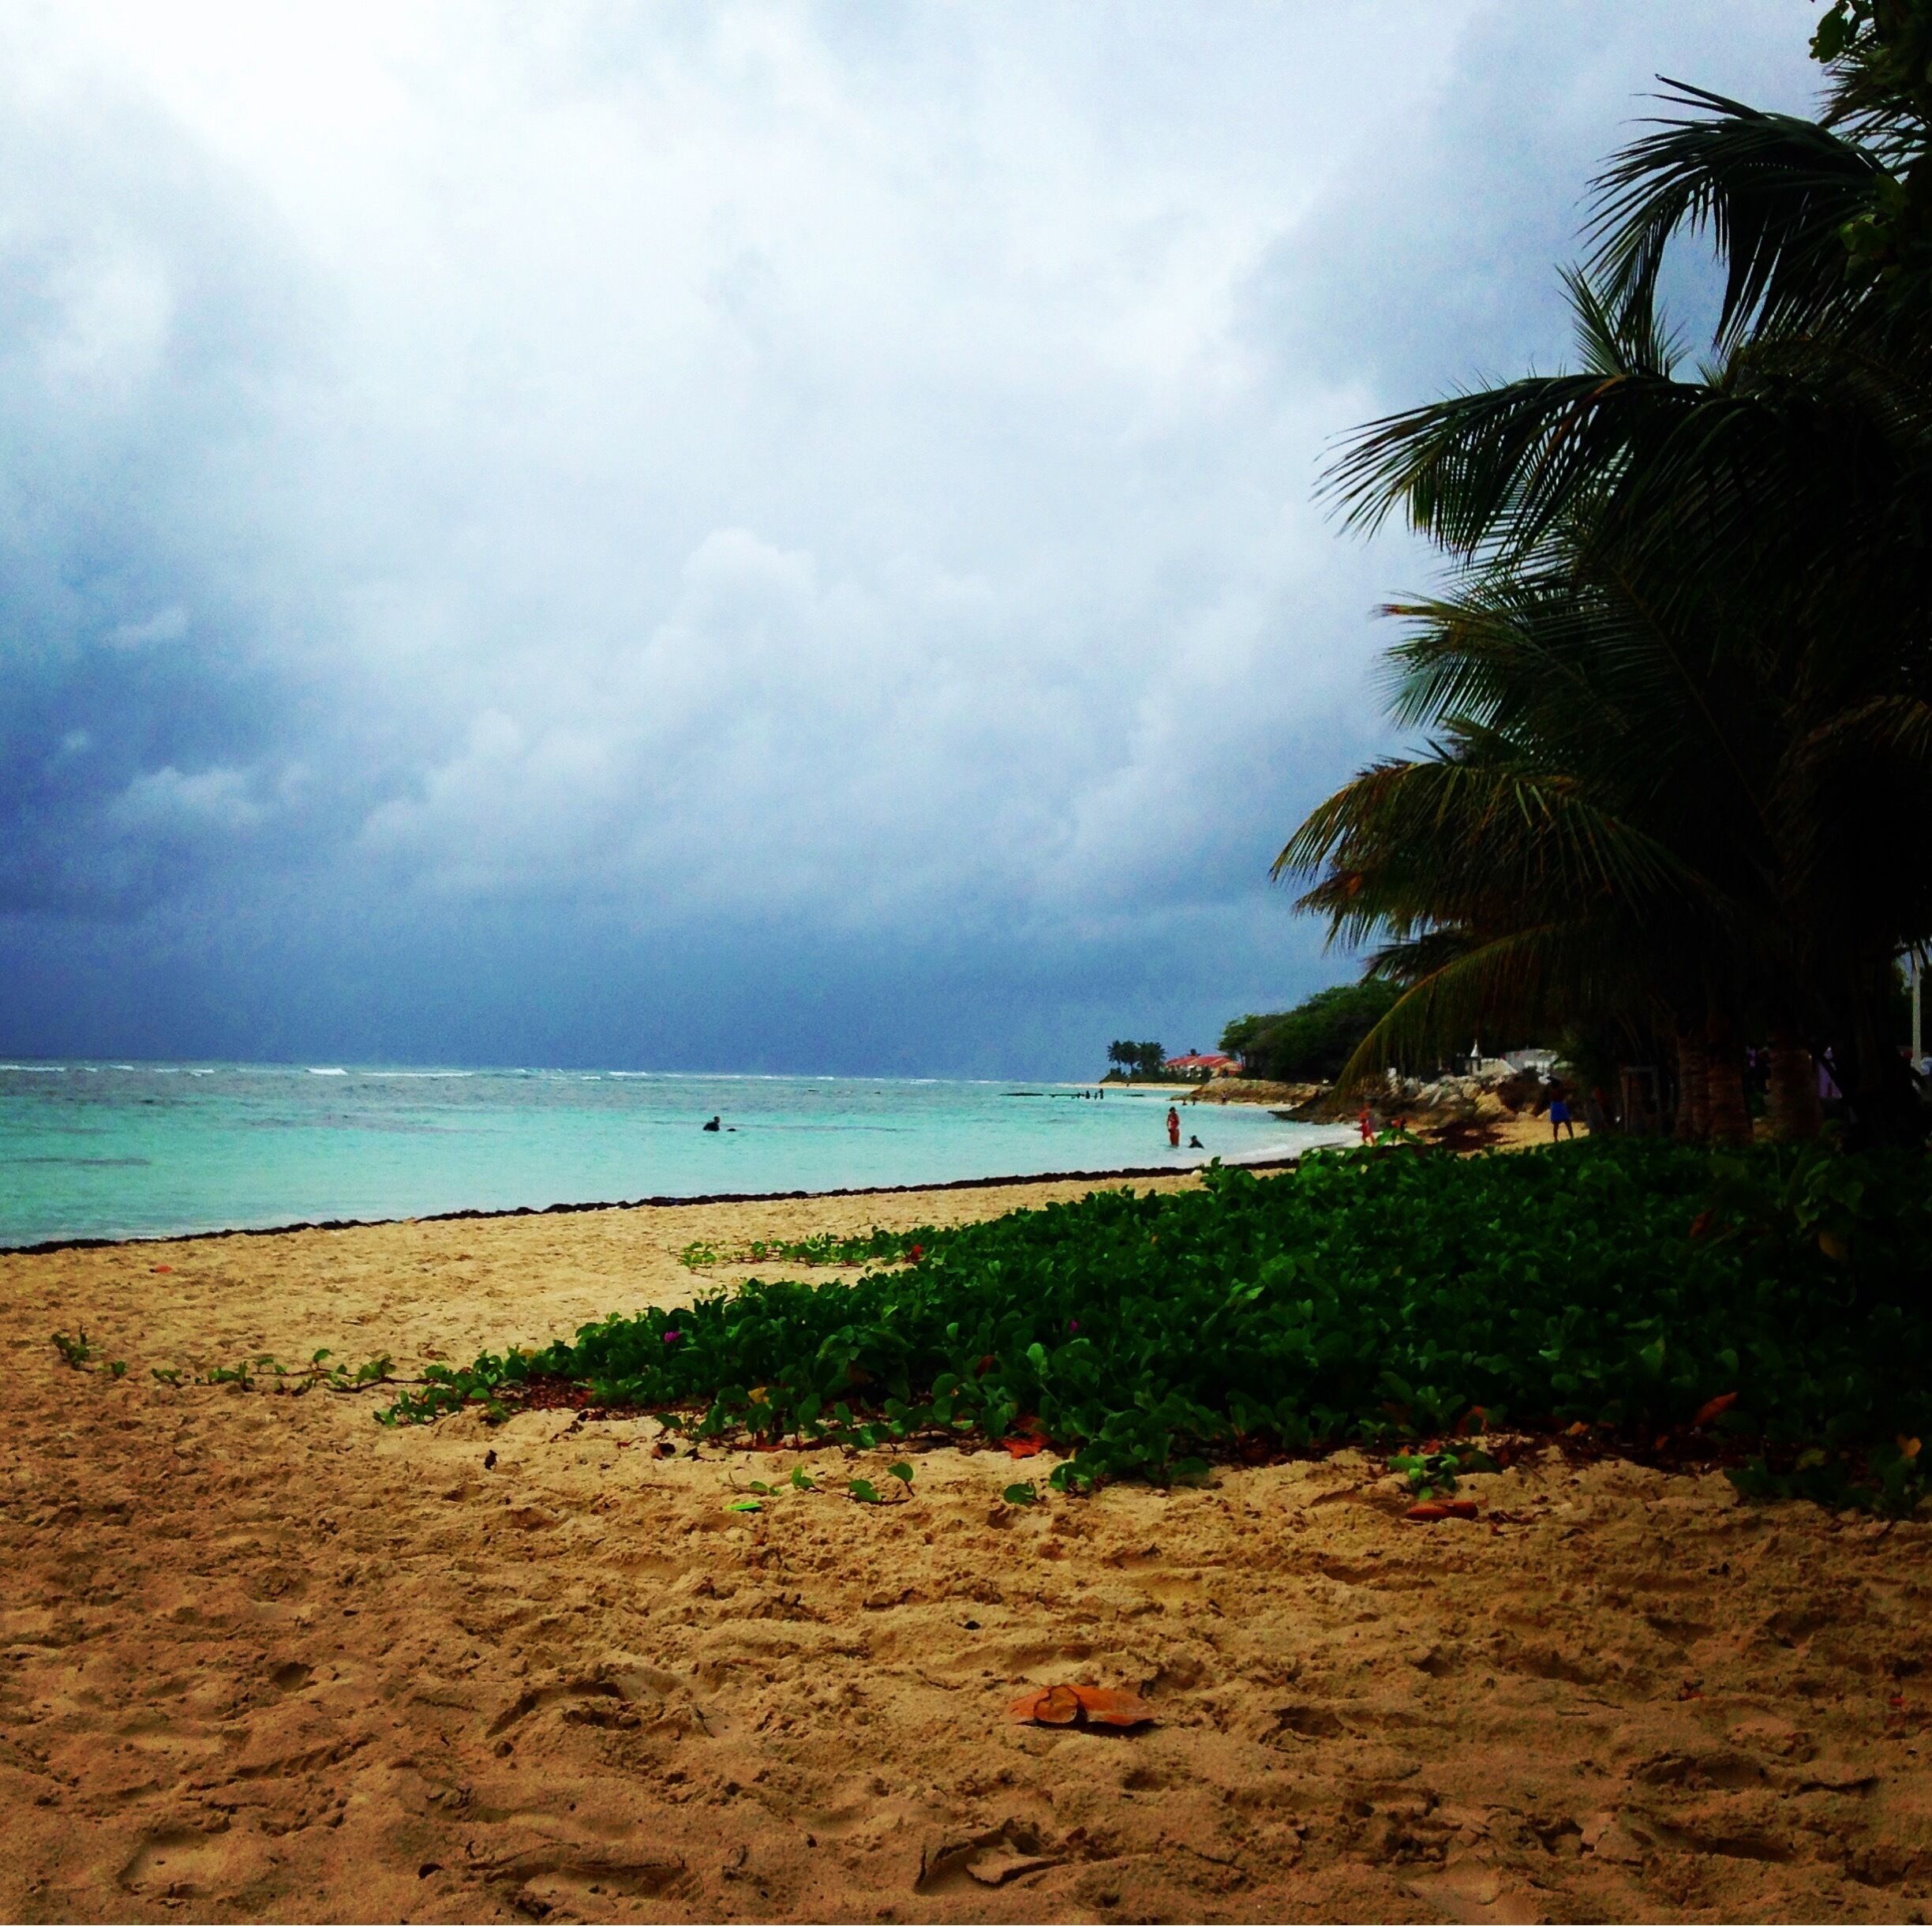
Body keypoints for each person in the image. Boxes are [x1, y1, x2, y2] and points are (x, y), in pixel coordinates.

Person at [1545, 1076, 1574, 1141]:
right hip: (1561, 1106)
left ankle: (1555, 1139)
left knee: (1556, 1125)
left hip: (1554, 1106)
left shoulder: (1551, 1091)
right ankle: (1572, 1136)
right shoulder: (1561, 1090)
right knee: (1568, 1123)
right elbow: (1568, 1090)